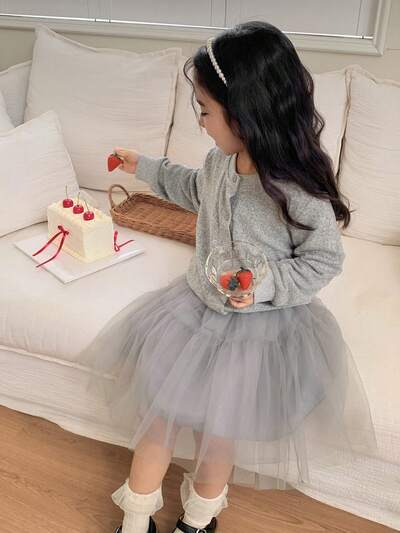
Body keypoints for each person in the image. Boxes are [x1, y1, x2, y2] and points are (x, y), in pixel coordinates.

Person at [78, 20, 378, 533]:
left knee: (219, 433)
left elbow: (323, 260)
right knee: (159, 414)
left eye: (205, 110)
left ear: (246, 113)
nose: (200, 122)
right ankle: (135, 517)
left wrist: (261, 284)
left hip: (258, 330)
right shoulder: (221, 161)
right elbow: (193, 188)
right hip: (195, 308)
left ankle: (198, 519)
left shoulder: (295, 188)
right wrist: (142, 166)